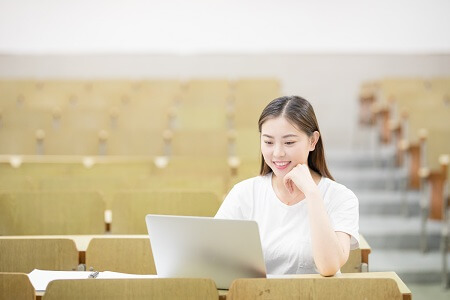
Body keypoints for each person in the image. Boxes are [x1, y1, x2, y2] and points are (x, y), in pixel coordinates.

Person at [215, 95, 359, 276]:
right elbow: (214, 256)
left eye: (289, 142)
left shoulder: (340, 197)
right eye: (268, 142)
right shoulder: (244, 193)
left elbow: (329, 267)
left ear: (313, 141)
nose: (277, 153)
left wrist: (312, 194)